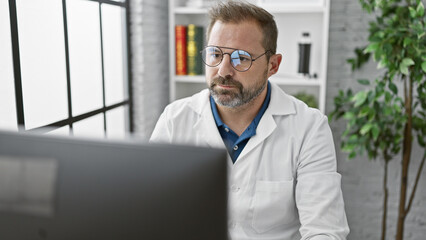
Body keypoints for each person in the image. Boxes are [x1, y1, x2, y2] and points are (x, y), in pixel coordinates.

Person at [150, 1, 349, 239]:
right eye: (215, 54)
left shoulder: (309, 128)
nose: (223, 70)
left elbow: (324, 230)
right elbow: (151, 210)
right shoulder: (174, 120)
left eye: (241, 58)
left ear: (272, 65)